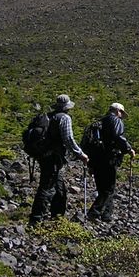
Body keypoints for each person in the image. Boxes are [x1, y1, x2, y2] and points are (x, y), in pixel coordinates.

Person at [29, 94, 89, 225]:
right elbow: (68, 139)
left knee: (58, 185)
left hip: (44, 155)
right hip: (54, 157)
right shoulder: (65, 118)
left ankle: (57, 215)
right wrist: (80, 154)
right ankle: (36, 218)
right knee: (47, 186)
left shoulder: (49, 117)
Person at [87, 103, 135, 222]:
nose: (122, 116)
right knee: (109, 188)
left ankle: (106, 215)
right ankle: (94, 212)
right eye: (122, 113)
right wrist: (129, 149)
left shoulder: (99, 122)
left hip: (96, 158)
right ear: (118, 111)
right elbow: (118, 137)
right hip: (109, 158)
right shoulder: (116, 121)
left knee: (102, 188)